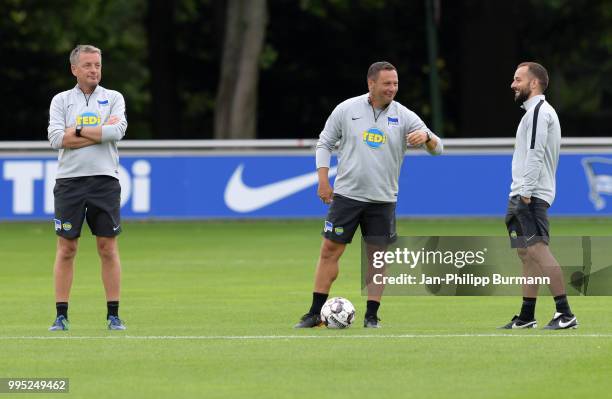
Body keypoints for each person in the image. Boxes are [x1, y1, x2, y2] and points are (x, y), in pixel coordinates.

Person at [294, 61, 443, 329]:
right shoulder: (346, 109)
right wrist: (323, 181)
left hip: (383, 200)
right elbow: (324, 142)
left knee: (377, 259)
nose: (392, 88)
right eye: (387, 83)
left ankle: (372, 316)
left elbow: (438, 148)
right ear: (371, 84)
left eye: (395, 83)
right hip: (347, 196)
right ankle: (315, 313)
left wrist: (427, 138)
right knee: (329, 251)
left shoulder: (405, 116)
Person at [47, 45, 128, 331]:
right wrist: (97, 134)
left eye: (97, 65)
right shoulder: (61, 100)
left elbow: (117, 132)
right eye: (88, 65)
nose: (94, 70)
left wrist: (77, 132)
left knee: (107, 247)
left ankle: (113, 315)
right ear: (75, 69)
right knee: (67, 248)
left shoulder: (113, 98)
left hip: (104, 180)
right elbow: (57, 139)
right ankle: (61, 315)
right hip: (69, 182)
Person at [501, 61, 578, 330]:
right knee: (526, 254)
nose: (513, 84)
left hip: (530, 195)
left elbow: (535, 153)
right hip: (523, 193)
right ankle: (526, 316)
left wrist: (525, 192)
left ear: (533, 84)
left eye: (518, 79)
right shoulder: (532, 113)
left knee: (538, 250)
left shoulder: (539, 112)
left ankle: (565, 314)